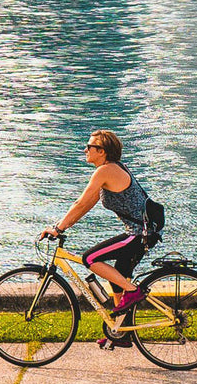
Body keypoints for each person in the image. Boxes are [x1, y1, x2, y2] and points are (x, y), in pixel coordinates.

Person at [40, 130, 151, 348]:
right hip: (142, 232)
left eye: (89, 147)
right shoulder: (110, 170)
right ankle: (120, 332)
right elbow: (86, 205)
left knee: (90, 259)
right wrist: (64, 226)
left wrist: (57, 228)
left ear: (102, 151)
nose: (85, 150)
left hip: (139, 234)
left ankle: (134, 292)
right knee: (116, 279)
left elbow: (80, 203)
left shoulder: (105, 170)